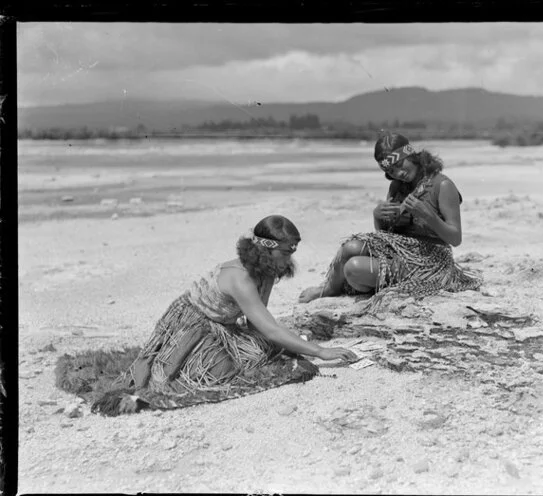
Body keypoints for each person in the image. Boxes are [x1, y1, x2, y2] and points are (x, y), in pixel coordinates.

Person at [95, 215, 357, 415]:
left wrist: (268, 340)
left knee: (266, 352)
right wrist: (320, 351)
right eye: (287, 251)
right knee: (217, 374)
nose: (290, 258)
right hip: (193, 323)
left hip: (224, 325)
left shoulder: (267, 269)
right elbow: (271, 328)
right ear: (267, 248)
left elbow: (259, 316)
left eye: (293, 251)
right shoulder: (241, 278)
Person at [299, 132, 482, 306]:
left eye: (401, 166)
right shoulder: (397, 186)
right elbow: (384, 237)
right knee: (350, 247)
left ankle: (372, 283)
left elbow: (455, 238)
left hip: (431, 261)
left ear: (411, 155)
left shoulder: (443, 185)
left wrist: (428, 215)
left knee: (353, 268)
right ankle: (330, 288)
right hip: (400, 252)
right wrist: (378, 217)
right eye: (392, 171)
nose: (398, 174)